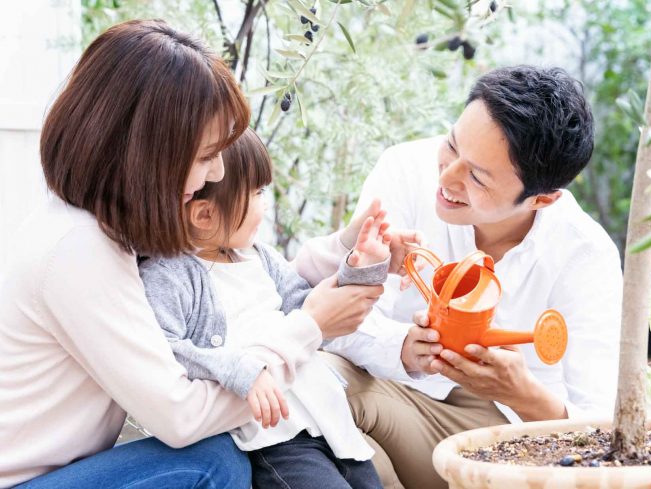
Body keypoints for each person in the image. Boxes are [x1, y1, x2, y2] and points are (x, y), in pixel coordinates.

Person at [0, 20, 381, 488]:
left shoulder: (91, 227)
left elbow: (262, 277)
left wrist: (345, 251)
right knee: (213, 461)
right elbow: (181, 418)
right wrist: (307, 331)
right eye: (205, 156)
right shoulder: (79, 252)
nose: (216, 172)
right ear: (143, 156)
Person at [302, 65, 624, 489]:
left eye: (476, 176)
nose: (447, 177)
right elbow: (332, 319)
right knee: (313, 384)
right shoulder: (404, 169)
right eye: (451, 146)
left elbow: (600, 429)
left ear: (542, 199)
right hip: (398, 395)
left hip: (513, 436)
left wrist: (521, 393)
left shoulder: (583, 252)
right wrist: (400, 348)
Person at [139, 128, 392, 489]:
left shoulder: (261, 257)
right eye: (256, 193)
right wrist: (240, 370)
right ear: (205, 215)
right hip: (274, 439)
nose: (265, 203)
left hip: (327, 420)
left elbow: (312, 313)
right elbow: (168, 352)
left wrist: (361, 266)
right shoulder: (168, 275)